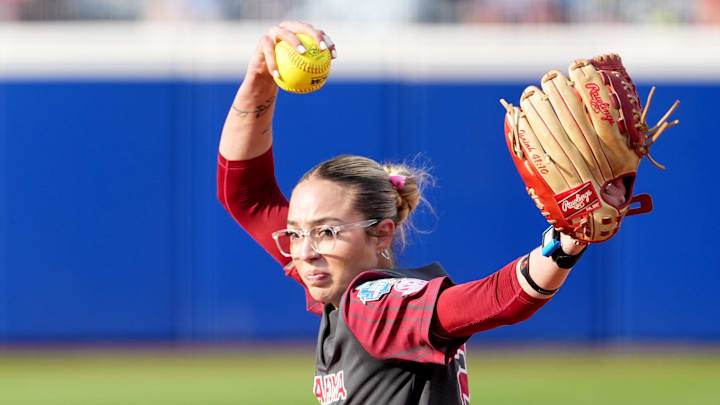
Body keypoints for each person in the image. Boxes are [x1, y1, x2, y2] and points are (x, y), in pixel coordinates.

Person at [217, 21, 624, 405]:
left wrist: (566, 242)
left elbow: (489, 301)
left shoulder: (375, 307)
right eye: (296, 233)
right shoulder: (337, 284)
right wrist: (259, 79)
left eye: (326, 232)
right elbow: (246, 195)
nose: (303, 252)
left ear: (382, 234)